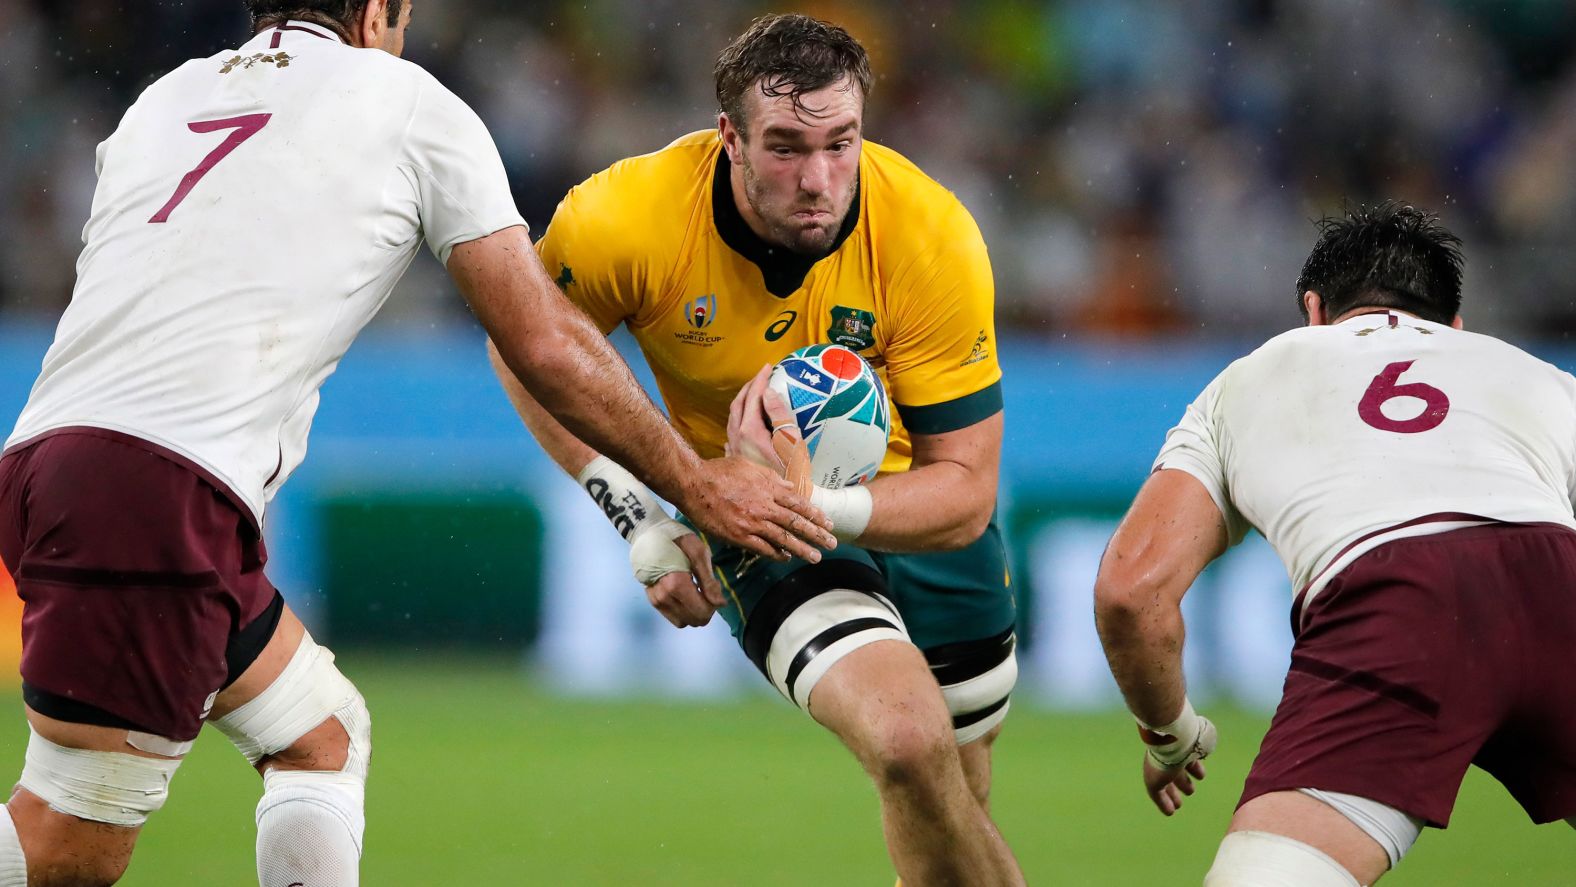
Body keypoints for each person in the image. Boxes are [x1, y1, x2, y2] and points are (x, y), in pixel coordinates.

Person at [0, 2, 835, 885]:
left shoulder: (160, 101)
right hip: (156, 494)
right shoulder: (408, 103)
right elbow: (543, 341)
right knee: (66, 852)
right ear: (378, 10)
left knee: (320, 734)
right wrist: (696, 486)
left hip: (46, 458)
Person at [494, 13, 1023, 885]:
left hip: (913, 516)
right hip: (753, 517)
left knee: (952, 801)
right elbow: (525, 346)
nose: (818, 179)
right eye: (785, 147)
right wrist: (638, 514)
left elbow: (964, 490)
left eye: (840, 143)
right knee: (905, 743)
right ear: (728, 139)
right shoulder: (629, 217)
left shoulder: (928, 230)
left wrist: (821, 504)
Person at [1093, 201, 1576, 886]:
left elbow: (1129, 591)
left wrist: (1169, 732)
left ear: (1314, 312)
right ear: (1457, 327)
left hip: (1400, 609)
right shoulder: (1539, 376)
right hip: (1560, 583)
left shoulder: (1251, 378)